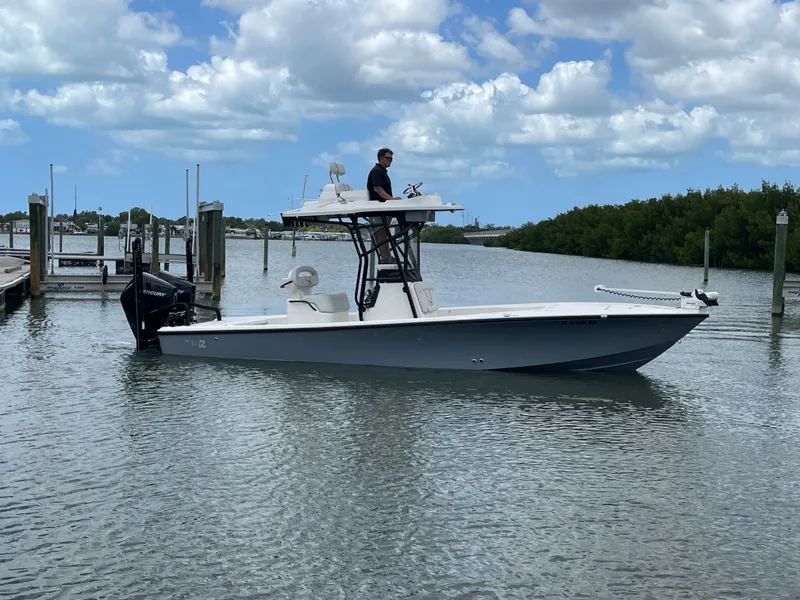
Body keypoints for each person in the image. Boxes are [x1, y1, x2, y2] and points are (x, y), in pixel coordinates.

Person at [366, 147, 401, 262]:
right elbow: (378, 189)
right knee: (381, 233)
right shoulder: (377, 171)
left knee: (384, 233)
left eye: (391, 159)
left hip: (384, 209)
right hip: (378, 209)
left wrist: (392, 200)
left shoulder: (382, 172)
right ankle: (385, 257)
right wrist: (391, 200)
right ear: (381, 158)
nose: (390, 161)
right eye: (388, 158)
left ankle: (387, 256)